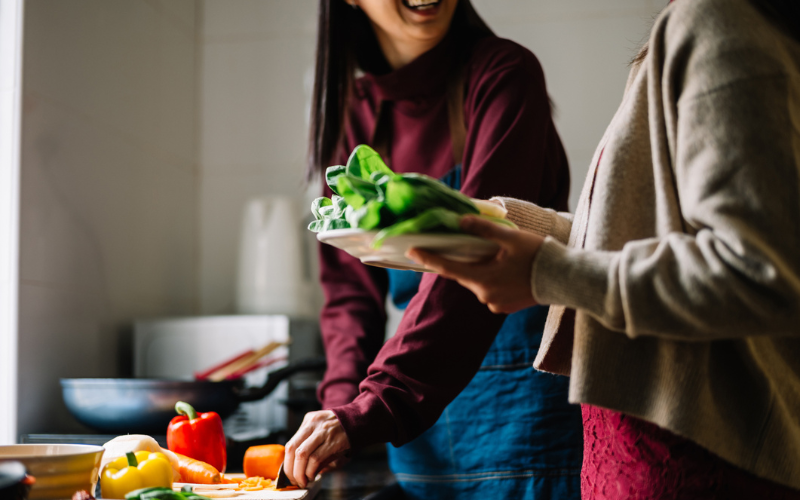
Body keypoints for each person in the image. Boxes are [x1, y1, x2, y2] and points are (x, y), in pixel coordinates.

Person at [407, 0, 800, 497]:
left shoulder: (720, 21)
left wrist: (546, 272)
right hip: (657, 445)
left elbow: (758, 274)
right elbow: (652, 234)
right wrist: (503, 221)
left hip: (693, 459)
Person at [284, 0, 583, 497]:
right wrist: (339, 408)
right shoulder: (352, 117)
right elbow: (348, 296)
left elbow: (473, 259)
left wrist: (373, 407)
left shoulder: (503, 75)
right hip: (420, 435)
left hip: (524, 425)